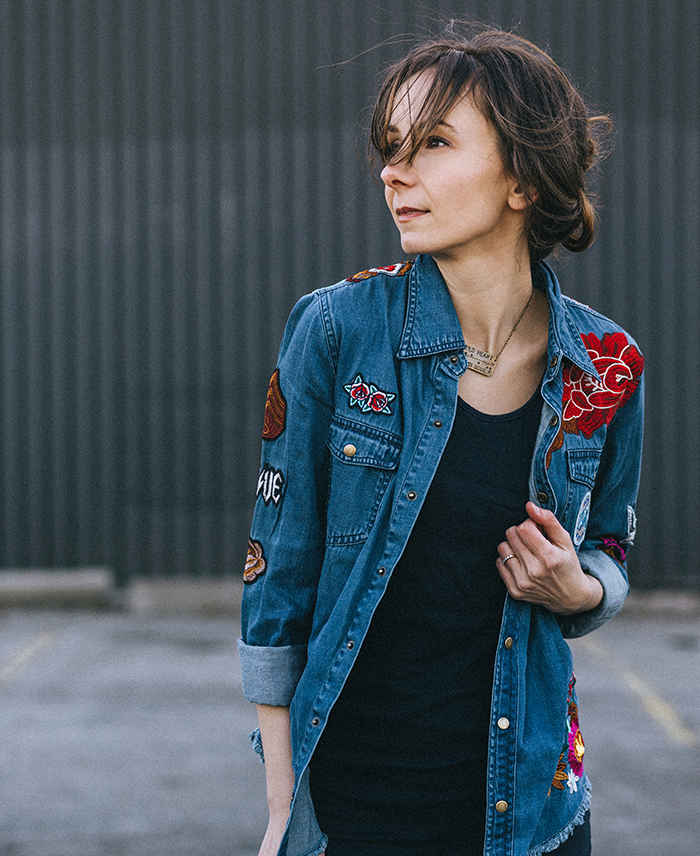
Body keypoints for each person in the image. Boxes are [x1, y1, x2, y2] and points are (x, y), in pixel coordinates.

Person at [239, 25, 644, 856]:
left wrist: (579, 590)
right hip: (358, 811)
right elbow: (277, 577)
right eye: (392, 146)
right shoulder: (336, 331)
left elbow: (609, 547)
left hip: (533, 814)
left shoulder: (606, 364)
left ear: (523, 177)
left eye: (433, 143)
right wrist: (282, 808)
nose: (394, 171)